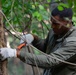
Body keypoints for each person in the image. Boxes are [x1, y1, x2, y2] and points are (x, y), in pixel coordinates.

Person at [0, 4, 76, 75]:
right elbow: (46, 48)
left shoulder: (73, 42)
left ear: (67, 22)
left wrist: (16, 53)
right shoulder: (54, 32)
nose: (52, 26)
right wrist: (34, 38)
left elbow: (50, 61)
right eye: (51, 22)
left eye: (56, 24)